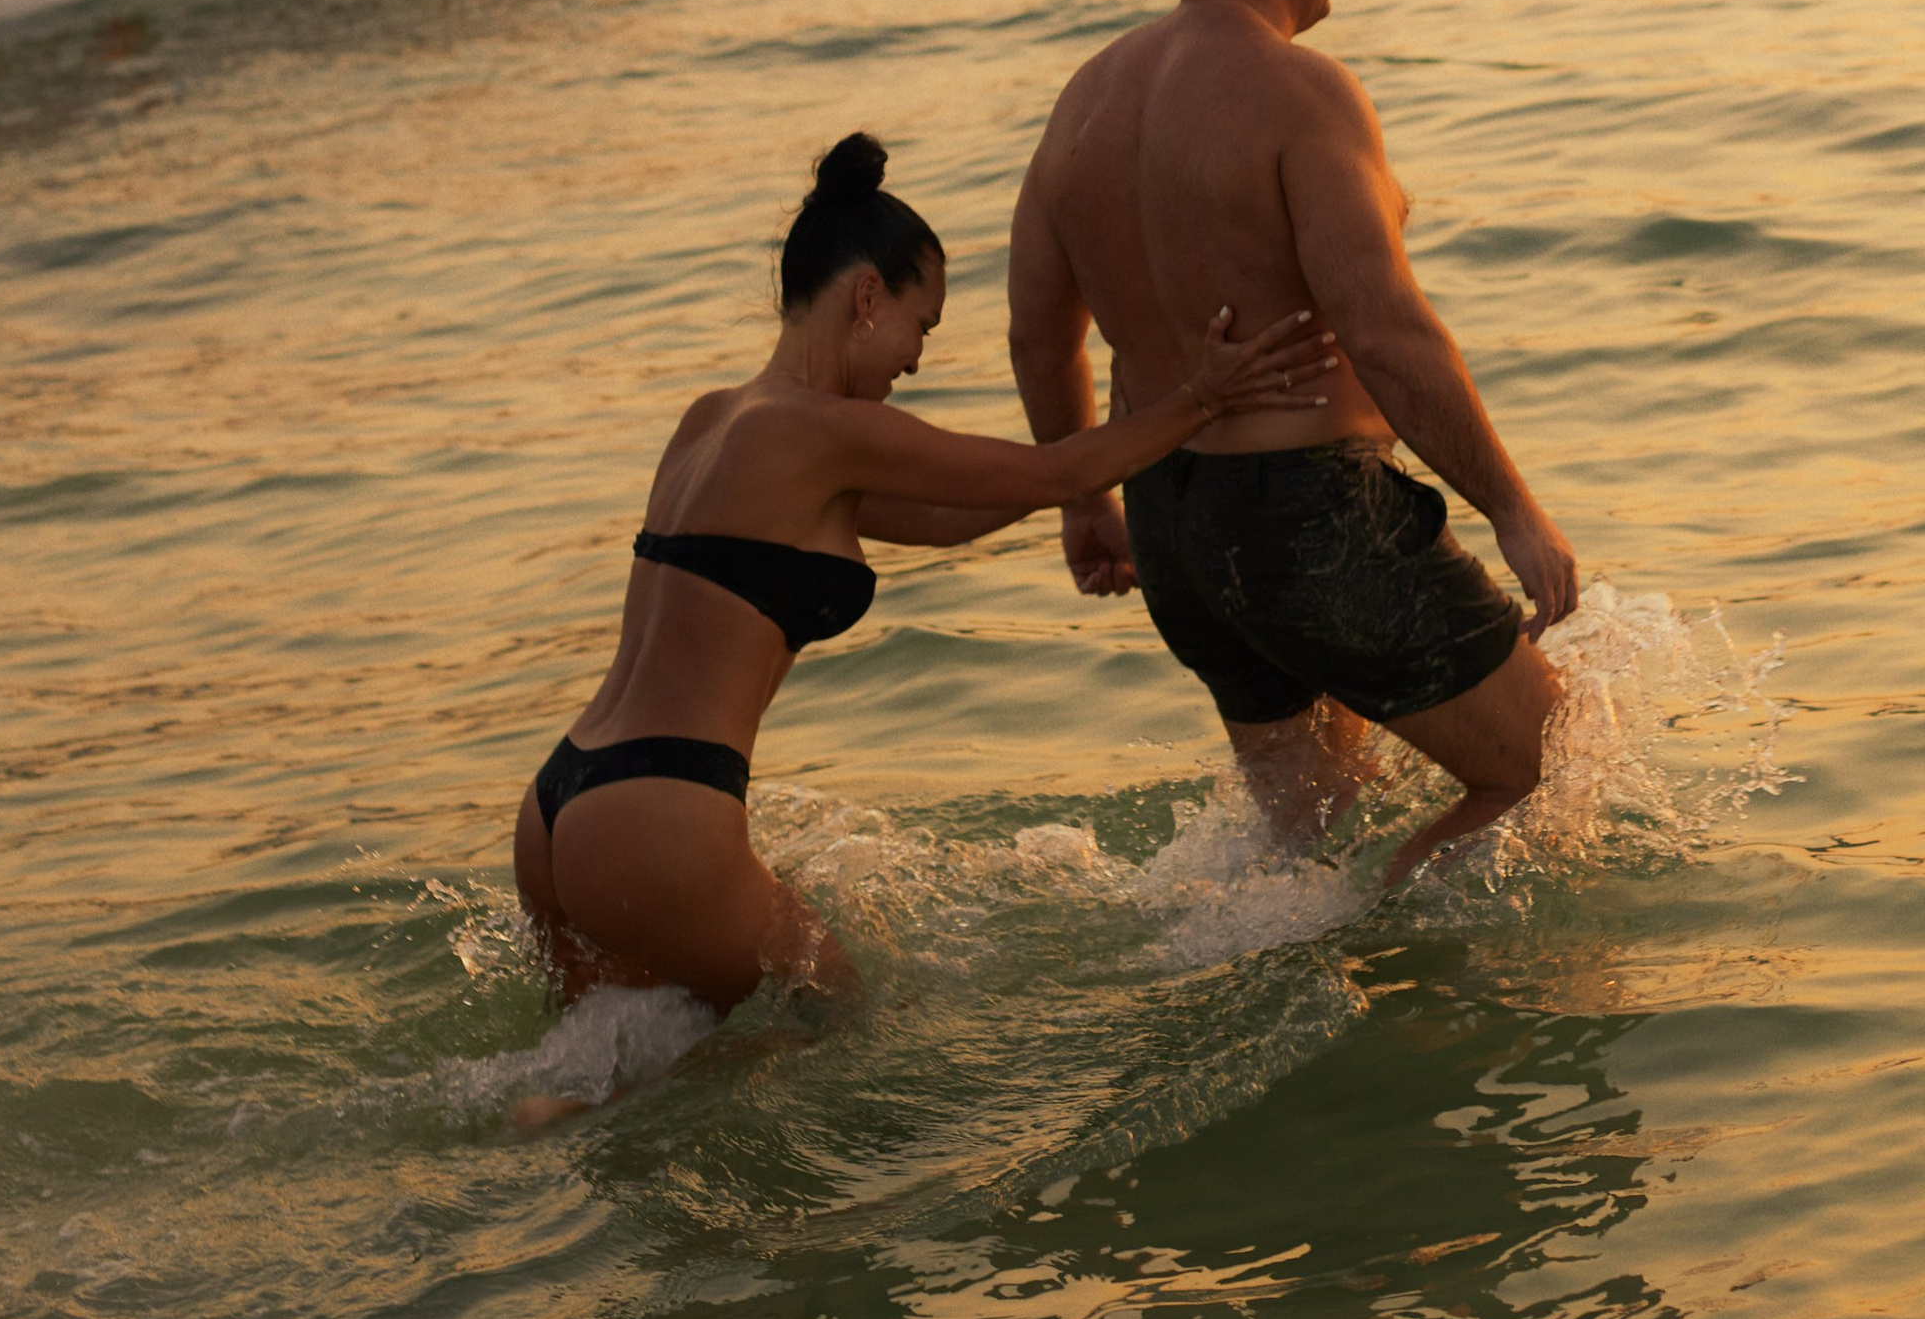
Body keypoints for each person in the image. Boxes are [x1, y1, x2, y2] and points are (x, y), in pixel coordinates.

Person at [513, 131, 1330, 1015]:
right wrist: (1202, 397)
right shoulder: (825, 429)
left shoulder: (713, 423)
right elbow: (1054, 471)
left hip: (562, 804)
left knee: (600, 1091)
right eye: (923, 324)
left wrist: (1111, 444)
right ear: (868, 296)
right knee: (835, 1020)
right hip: (658, 816)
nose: (916, 358)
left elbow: (950, 514)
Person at [1008, 0, 1580, 882]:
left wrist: (1085, 504)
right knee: (1556, 764)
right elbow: (1384, 329)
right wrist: (1510, 506)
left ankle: (1312, 967)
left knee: (1308, 849)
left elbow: (1040, 332)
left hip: (1172, 524)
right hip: (1311, 521)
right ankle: (1383, 927)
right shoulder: (1300, 91)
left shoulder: (1083, 102)